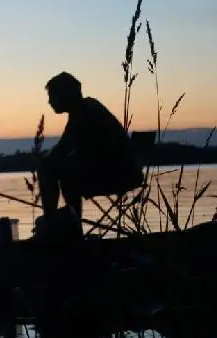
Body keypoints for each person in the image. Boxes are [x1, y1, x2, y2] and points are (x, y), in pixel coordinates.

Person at [36, 72, 144, 237]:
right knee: (65, 173)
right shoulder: (86, 108)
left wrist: (43, 161)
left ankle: (54, 223)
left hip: (119, 175)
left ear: (65, 95)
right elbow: (65, 149)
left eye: (52, 96)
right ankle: (69, 227)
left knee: (50, 169)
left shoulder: (85, 112)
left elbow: (62, 149)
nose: (49, 101)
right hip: (119, 171)